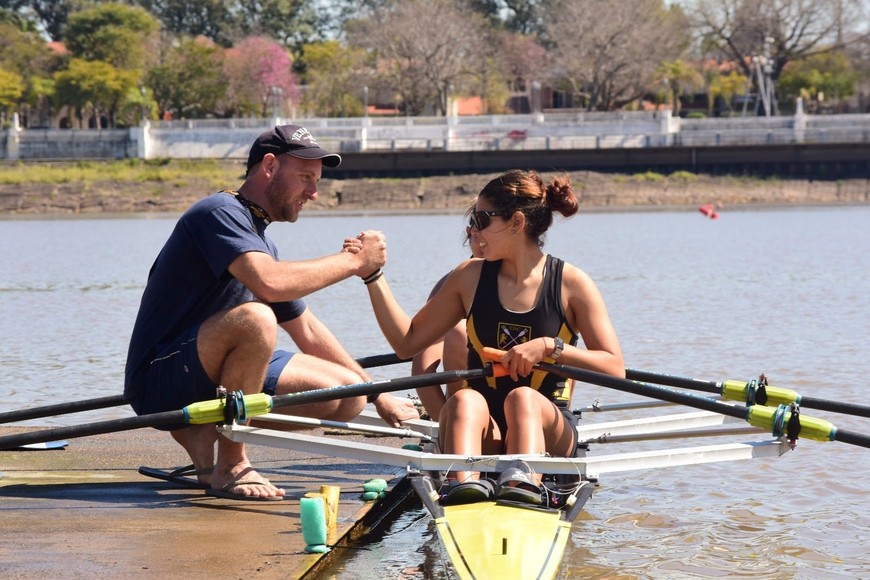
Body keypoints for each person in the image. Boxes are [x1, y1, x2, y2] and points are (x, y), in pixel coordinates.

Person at [124, 124, 419, 501]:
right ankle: (231, 461)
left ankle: (208, 433)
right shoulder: (218, 212)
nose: (313, 193)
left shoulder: (260, 238)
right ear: (269, 166)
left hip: (210, 363)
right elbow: (270, 284)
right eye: (306, 178)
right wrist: (355, 262)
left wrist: (379, 394)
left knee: (348, 395)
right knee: (257, 319)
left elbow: (308, 331)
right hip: (159, 378)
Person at [361, 169, 624, 505]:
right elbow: (407, 343)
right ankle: (465, 486)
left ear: (516, 223)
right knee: (464, 400)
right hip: (489, 431)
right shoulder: (468, 278)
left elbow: (614, 368)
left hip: (550, 430)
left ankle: (523, 483)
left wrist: (550, 347)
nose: (474, 230)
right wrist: (372, 275)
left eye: (482, 219)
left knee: (523, 399)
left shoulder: (571, 283)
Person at [411, 225, 482, 420]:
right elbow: (422, 371)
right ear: (470, 233)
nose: (486, 238)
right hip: (469, 414)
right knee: (459, 332)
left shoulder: (551, 279)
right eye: (479, 233)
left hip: (529, 404)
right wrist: (447, 427)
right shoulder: (449, 286)